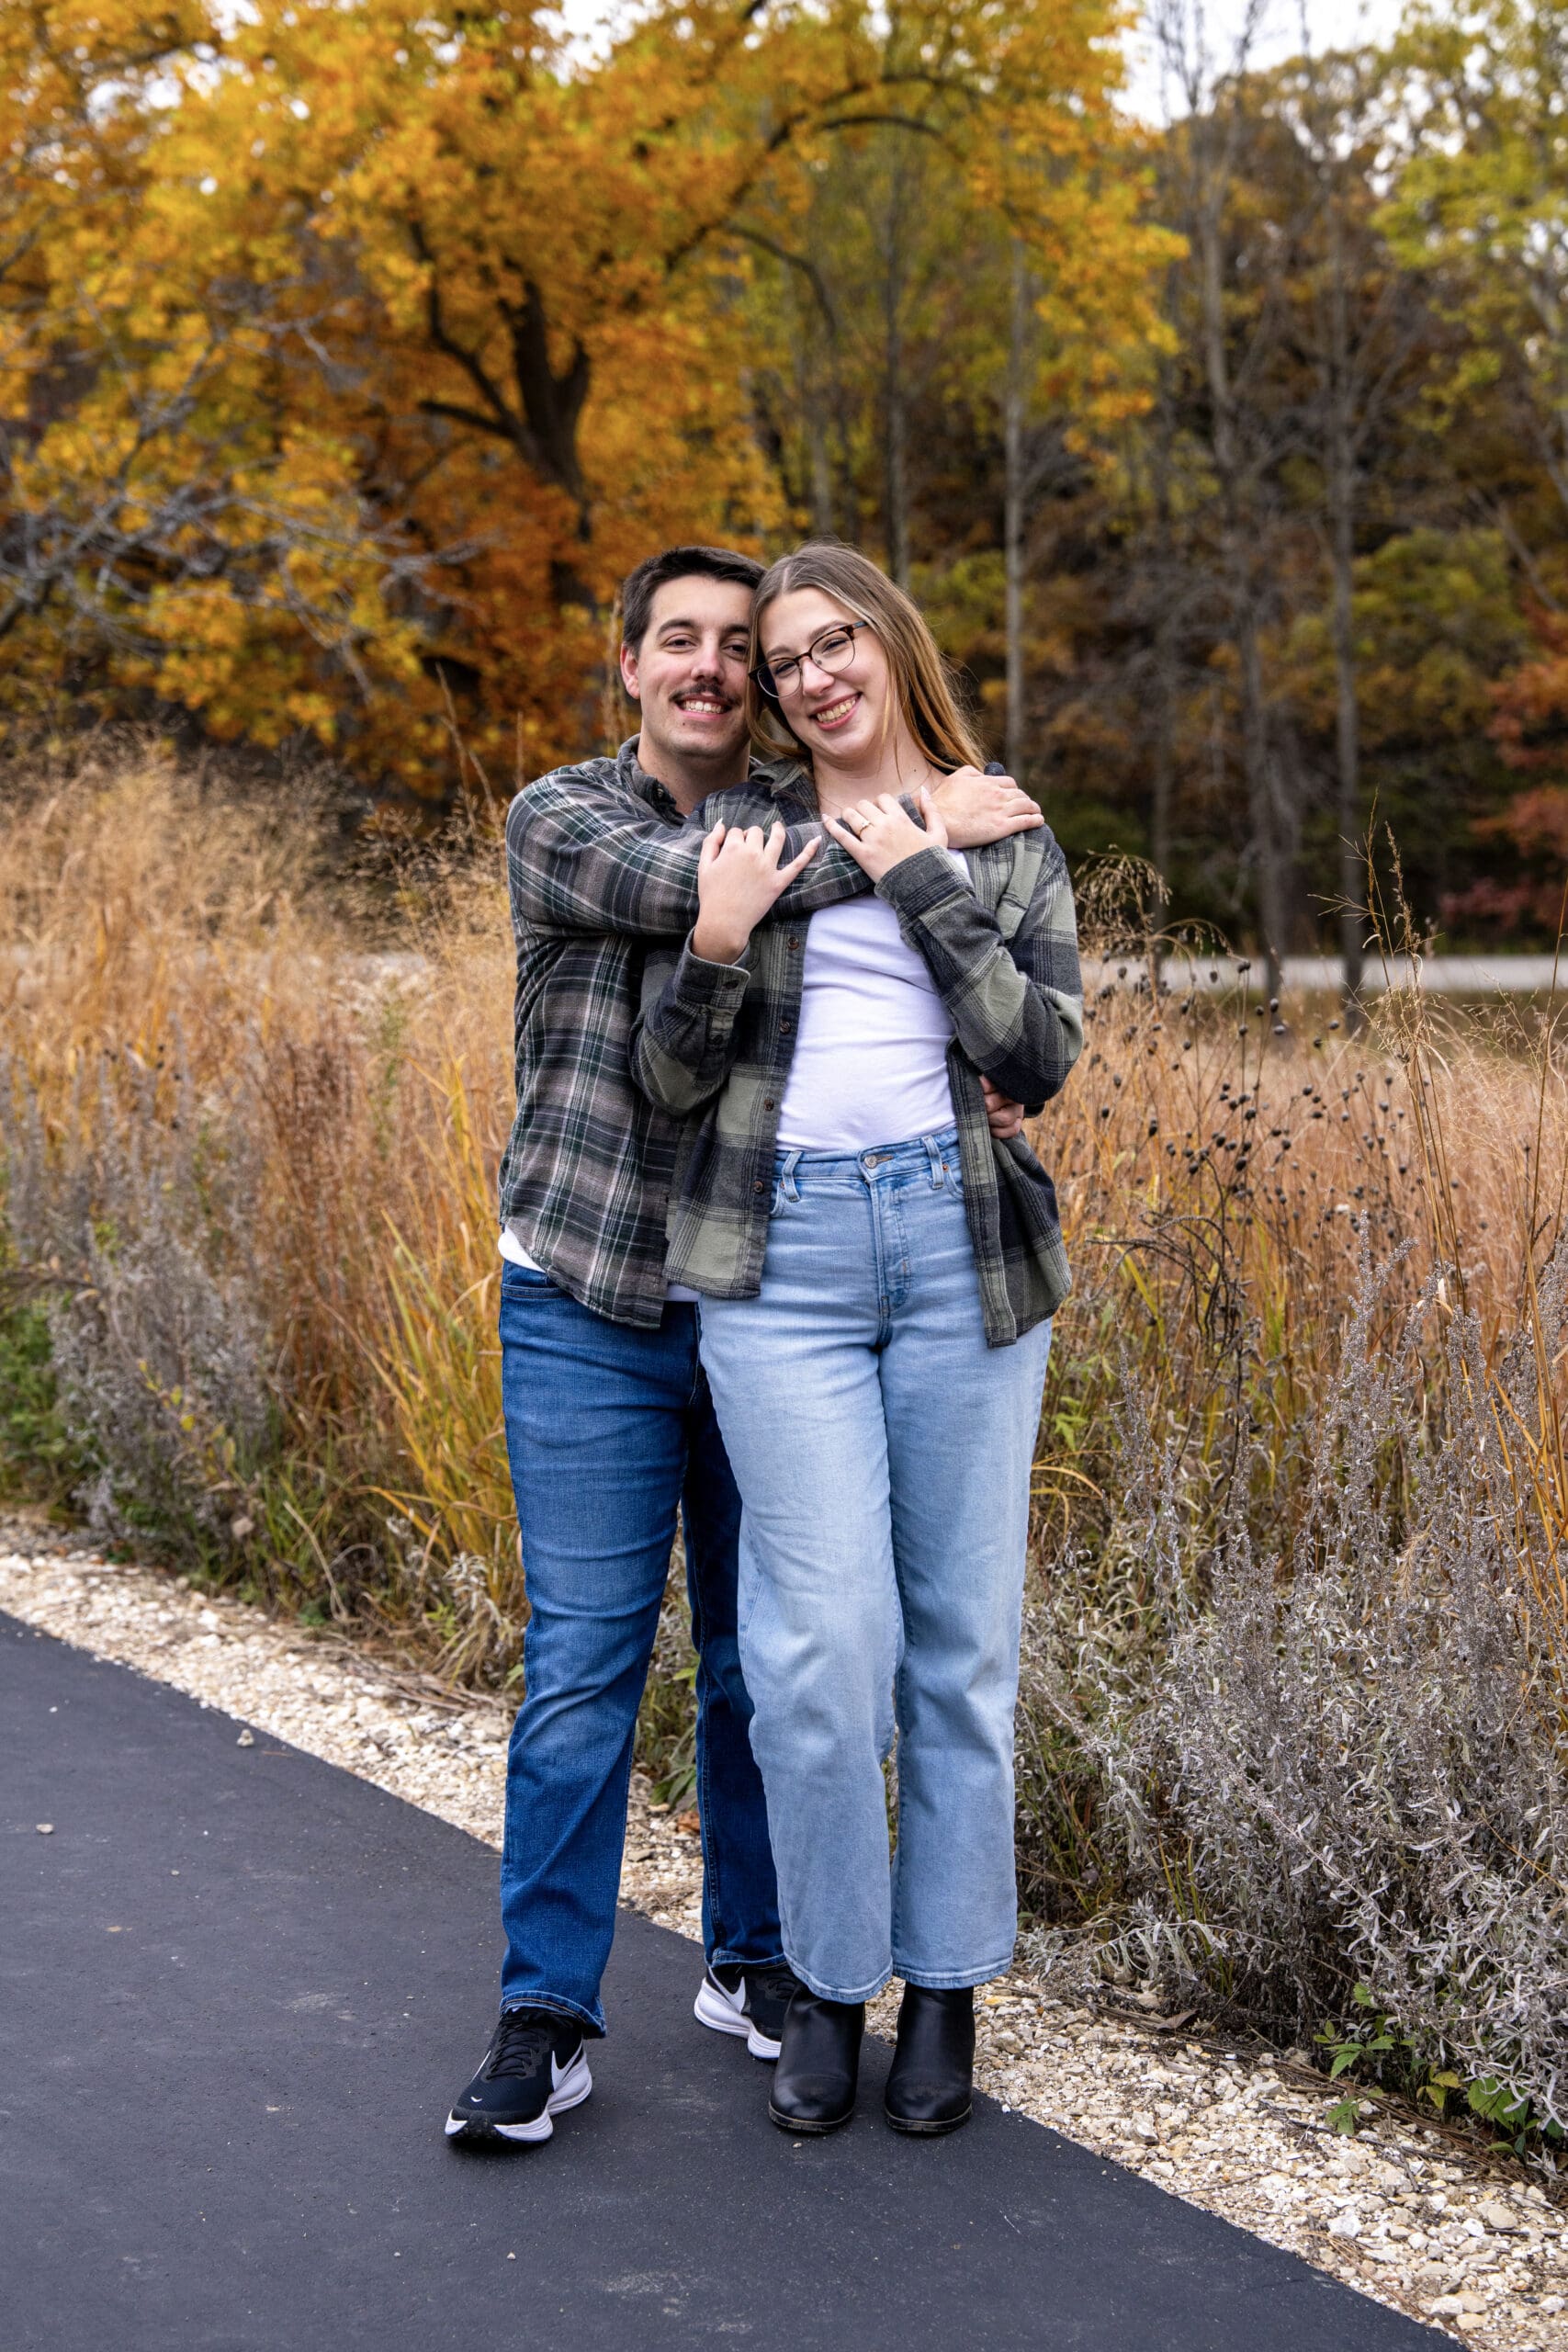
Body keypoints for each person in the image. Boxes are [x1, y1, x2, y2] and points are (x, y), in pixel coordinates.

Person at [444, 543, 1045, 2145]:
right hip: (592, 1293)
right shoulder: (569, 816)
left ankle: (767, 1960)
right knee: (588, 1662)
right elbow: (701, 920)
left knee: (769, 1657)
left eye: (751, 649)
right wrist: (926, 835)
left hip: (764, 1275)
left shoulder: (790, 811)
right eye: (688, 643)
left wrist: (914, 852)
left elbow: (1000, 1033)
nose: (724, 669)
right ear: (628, 661)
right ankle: (548, 2015)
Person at [631, 542, 1083, 2139]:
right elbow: (672, 1082)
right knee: (818, 1659)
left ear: (894, 646)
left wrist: (924, 872)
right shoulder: (740, 838)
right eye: (784, 655)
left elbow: (1040, 1047)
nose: (813, 675)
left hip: (965, 1257)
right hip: (783, 1263)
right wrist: (720, 939)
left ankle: (945, 1988)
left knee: (962, 1650)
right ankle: (827, 1982)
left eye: (838, 644)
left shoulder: (1002, 822)